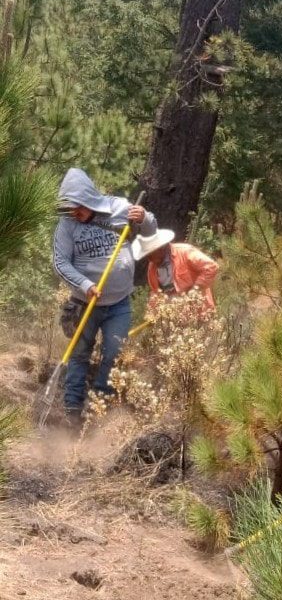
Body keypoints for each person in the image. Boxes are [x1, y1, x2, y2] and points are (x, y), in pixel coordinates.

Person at [54, 167, 157, 426]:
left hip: (119, 303)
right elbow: (60, 262)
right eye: (68, 208)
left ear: (88, 198)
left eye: (77, 207)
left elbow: (151, 233)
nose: (73, 213)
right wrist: (85, 284)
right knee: (79, 355)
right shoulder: (67, 225)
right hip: (84, 302)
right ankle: (72, 411)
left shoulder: (119, 208)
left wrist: (143, 218)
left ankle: (97, 405)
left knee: (114, 353)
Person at [132, 229, 219, 309]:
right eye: (146, 255)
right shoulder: (152, 267)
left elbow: (211, 267)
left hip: (200, 309)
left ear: (160, 248)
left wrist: (196, 289)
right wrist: (153, 311)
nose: (149, 258)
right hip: (175, 316)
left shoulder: (185, 252)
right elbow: (156, 292)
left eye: (150, 254)